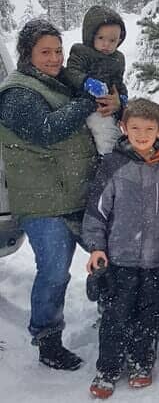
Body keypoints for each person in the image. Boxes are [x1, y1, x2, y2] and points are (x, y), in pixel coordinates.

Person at [0, 19, 118, 370]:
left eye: (58, 51)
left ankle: (116, 325)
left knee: (110, 258)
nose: (54, 58)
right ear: (27, 54)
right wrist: (87, 102)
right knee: (54, 271)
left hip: (79, 195)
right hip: (42, 203)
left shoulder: (60, 82)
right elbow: (46, 130)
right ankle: (47, 337)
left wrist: (112, 103)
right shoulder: (16, 93)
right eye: (45, 52)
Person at [82, 98, 159, 399]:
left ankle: (141, 363)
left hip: (155, 260)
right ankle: (108, 369)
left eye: (149, 129)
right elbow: (96, 211)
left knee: (149, 314)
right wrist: (96, 247)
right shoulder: (113, 165)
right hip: (120, 258)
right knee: (115, 315)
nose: (141, 134)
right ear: (124, 128)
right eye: (135, 128)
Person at [60, 5, 128, 155]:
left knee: (123, 129)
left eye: (112, 40)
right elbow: (71, 71)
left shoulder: (118, 59)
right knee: (105, 132)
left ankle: (123, 156)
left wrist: (122, 98)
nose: (106, 44)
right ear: (91, 35)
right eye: (101, 38)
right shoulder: (81, 52)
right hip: (86, 102)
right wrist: (86, 81)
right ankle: (109, 159)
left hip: (108, 104)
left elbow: (118, 82)